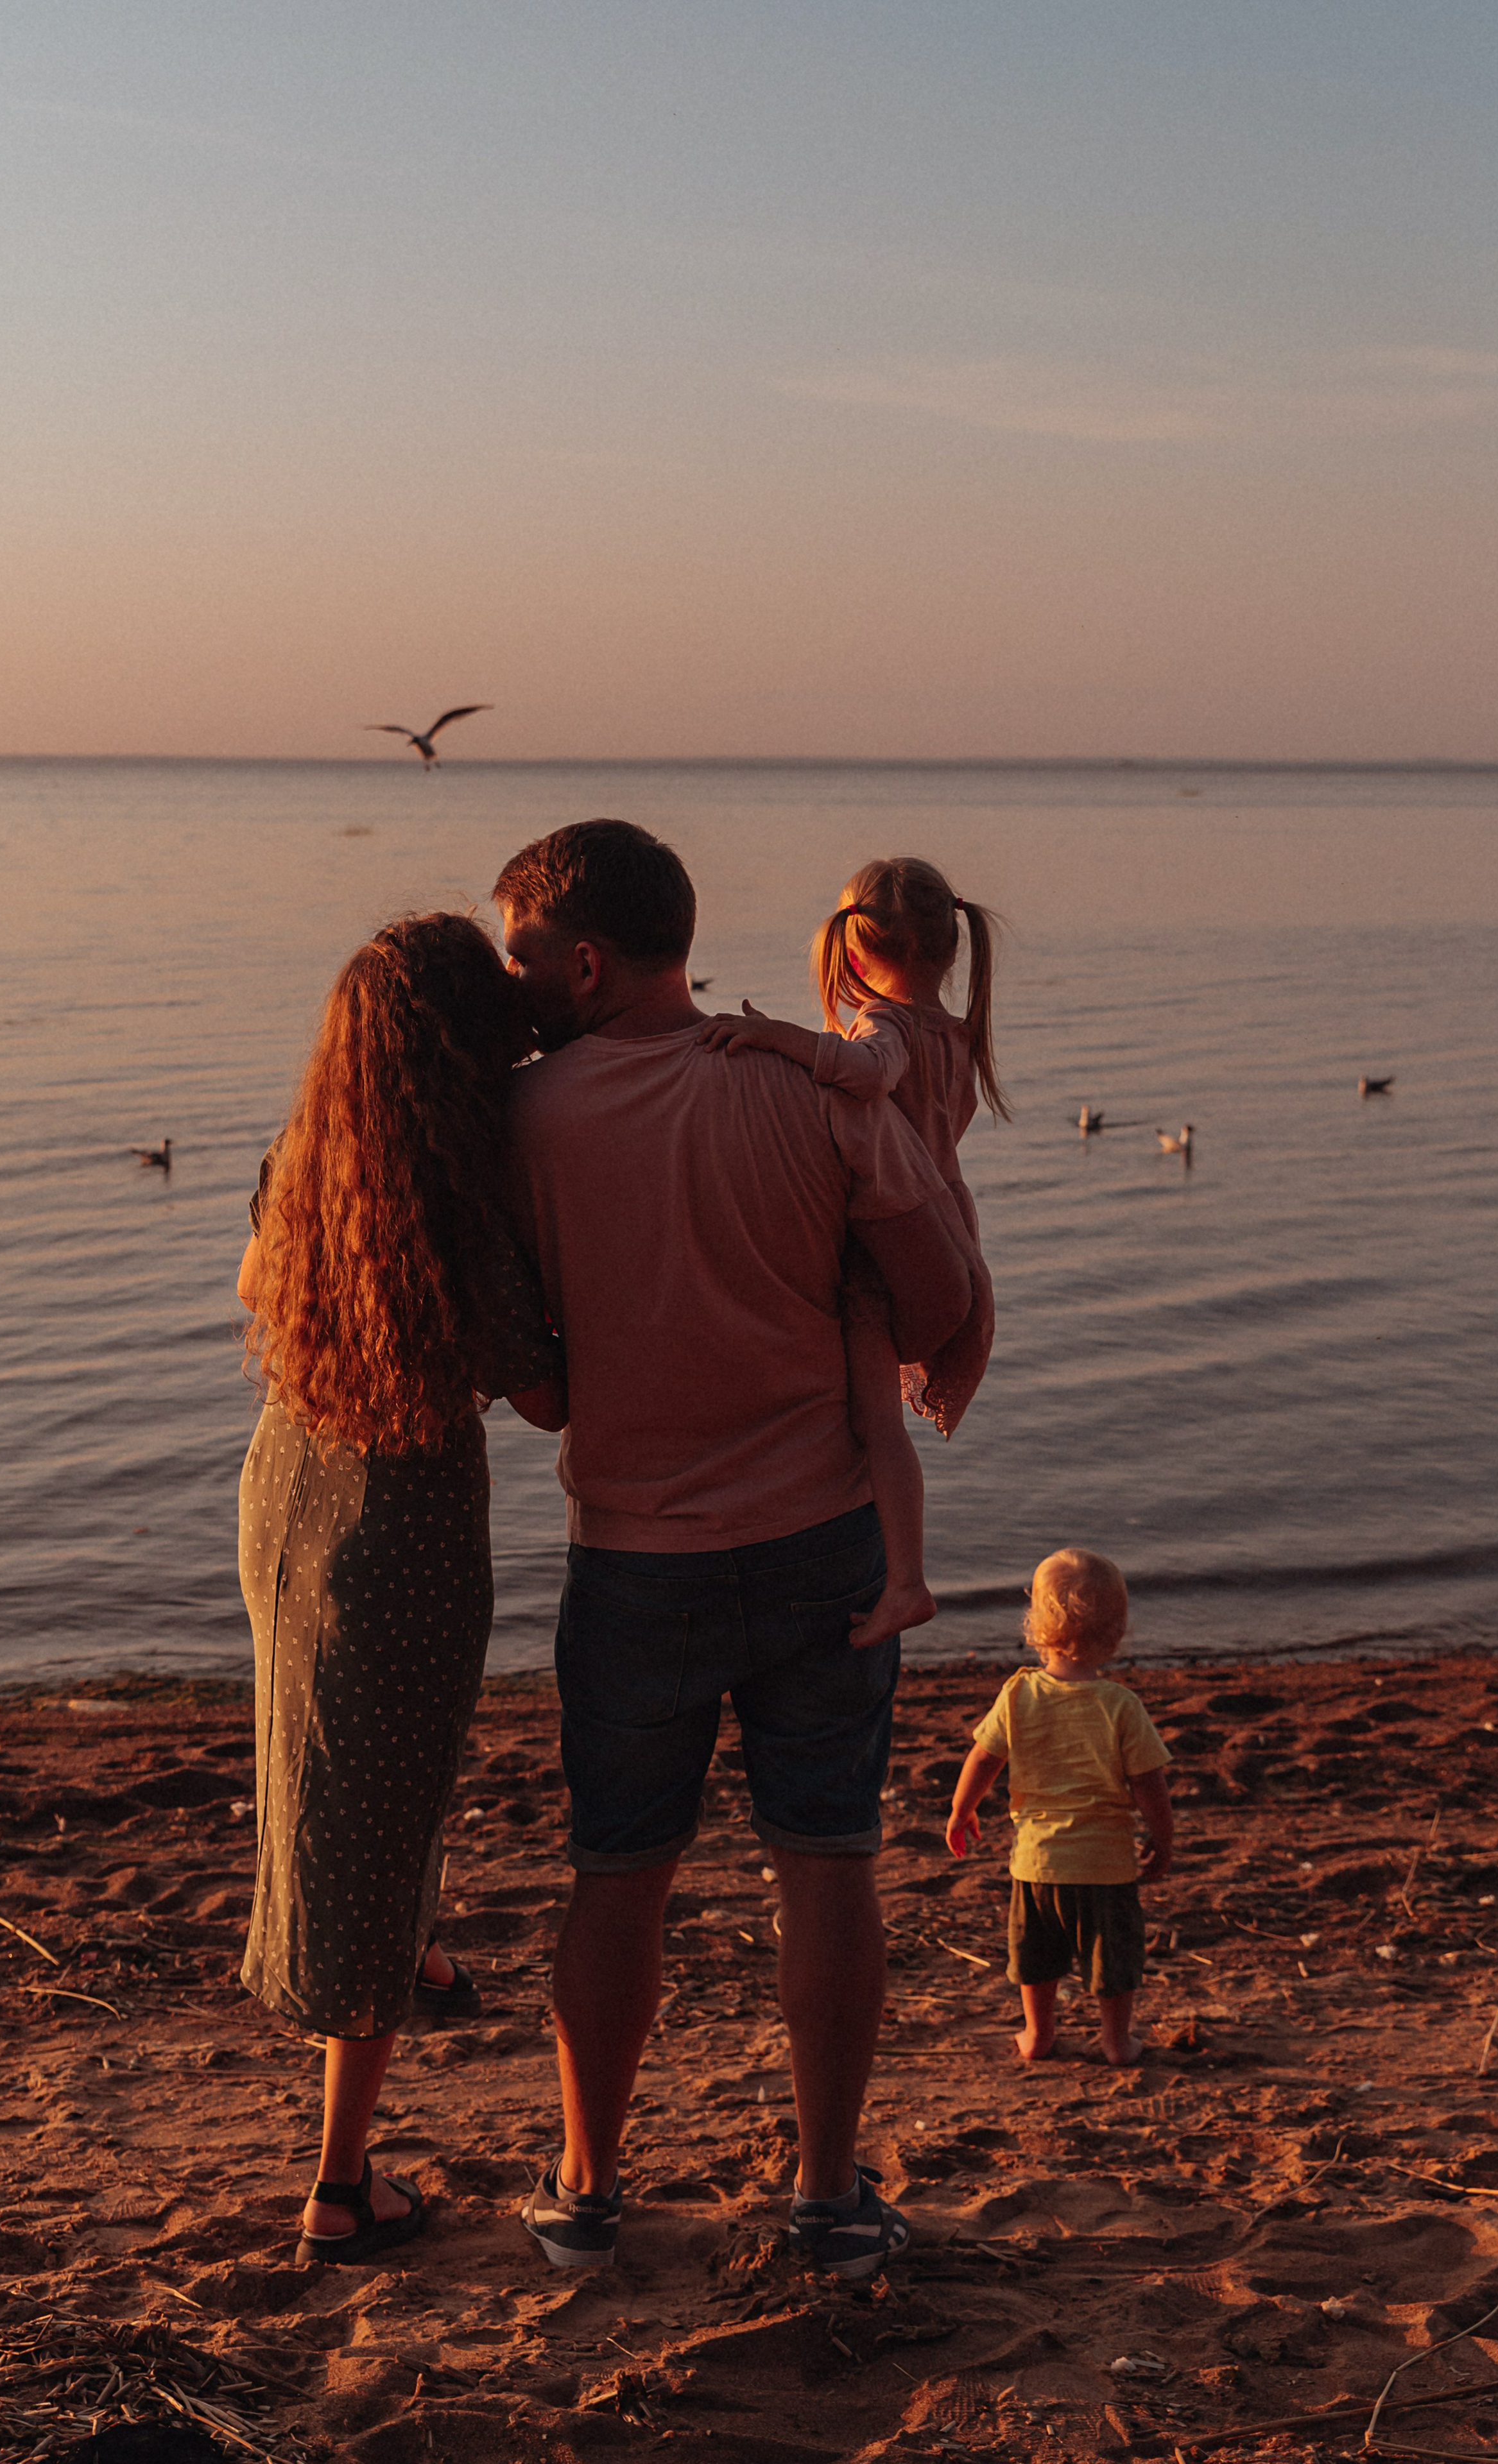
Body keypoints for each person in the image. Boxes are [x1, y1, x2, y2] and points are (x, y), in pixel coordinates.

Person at [493, 819, 991, 2280]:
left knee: (616, 1870)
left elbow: (542, 1390)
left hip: (633, 1554)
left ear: (580, 961)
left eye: (520, 954)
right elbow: (937, 1295)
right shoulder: (813, 1089)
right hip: (821, 1532)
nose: (512, 982)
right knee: (825, 1860)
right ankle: (826, 2196)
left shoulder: (524, 1118)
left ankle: (587, 2189)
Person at [235, 914, 565, 2264]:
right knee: (375, 1802)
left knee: (321, 1765)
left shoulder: (300, 1158)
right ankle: (339, 2184)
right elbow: (544, 1401)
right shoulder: (463, 1209)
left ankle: (404, 1939)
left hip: (282, 1488)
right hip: (402, 1527)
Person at [699, 856, 1007, 1649]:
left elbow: (868, 1075)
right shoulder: (957, 1032)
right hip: (945, 1224)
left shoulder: (891, 1026)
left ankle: (906, 1582)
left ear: (857, 951)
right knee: (875, 1422)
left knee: (877, 1425)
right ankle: (900, 1575)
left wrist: (780, 1040)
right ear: (949, 949)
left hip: (888, 1243)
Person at [944, 1549, 1173, 2066]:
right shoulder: (1120, 1706)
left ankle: (1038, 2034)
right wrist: (1163, 1838)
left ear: (1036, 1624)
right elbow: (1149, 1784)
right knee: (1113, 1958)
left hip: (1037, 1863)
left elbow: (983, 1758)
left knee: (1036, 1956)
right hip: (1107, 1866)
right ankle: (1116, 2041)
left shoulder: (1019, 1694)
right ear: (1116, 1633)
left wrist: (961, 1811)